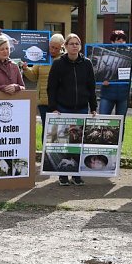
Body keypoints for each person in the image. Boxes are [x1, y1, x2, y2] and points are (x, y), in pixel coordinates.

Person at [47, 33, 96, 186]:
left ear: (80, 46)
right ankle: (62, 175)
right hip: (63, 109)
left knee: (77, 143)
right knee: (63, 142)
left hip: (81, 109)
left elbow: (91, 87)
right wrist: (53, 108)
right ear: (65, 46)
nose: (75, 46)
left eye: (77, 43)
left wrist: (93, 108)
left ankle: (76, 174)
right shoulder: (58, 64)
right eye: (71, 43)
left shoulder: (87, 63)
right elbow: (52, 88)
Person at [22, 33, 65, 127]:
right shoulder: (42, 57)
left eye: (56, 48)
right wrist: (25, 69)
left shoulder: (65, 60)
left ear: (62, 47)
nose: (52, 50)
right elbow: (33, 76)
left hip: (60, 101)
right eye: (51, 47)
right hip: (43, 102)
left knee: (58, 130)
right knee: (46, 130)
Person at [98, 30, 129, 117]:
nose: (122, 43)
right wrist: (101, 80)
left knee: (121, 122)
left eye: (123, 41)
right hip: (107, 94)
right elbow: (98, 73)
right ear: (112, 42)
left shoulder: (131, 53)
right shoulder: (105, 55)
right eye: (119, 41)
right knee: (103, 120)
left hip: (124, 95)